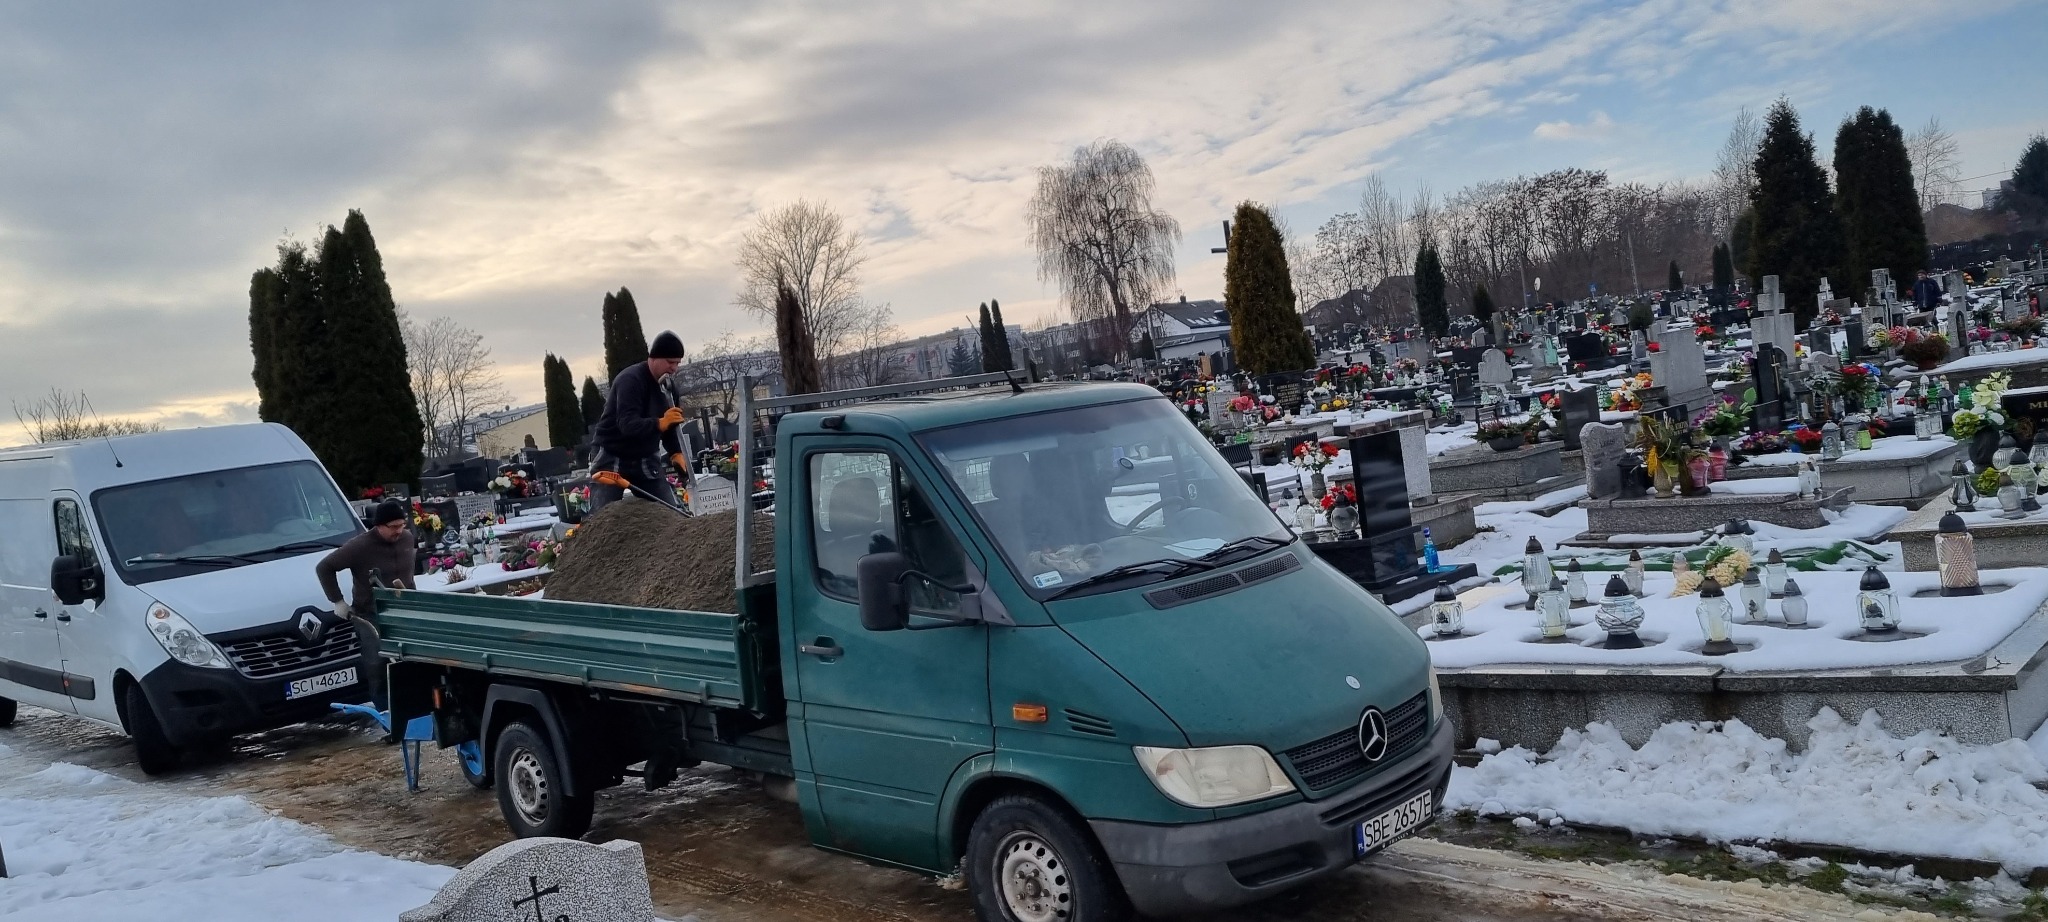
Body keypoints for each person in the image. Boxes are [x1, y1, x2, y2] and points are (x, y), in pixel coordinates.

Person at [316, 500, 416, 711]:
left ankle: (413, 709)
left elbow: (408, 575)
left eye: (402, 525)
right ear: (379, 525)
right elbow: (325, 567)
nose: (399, 531)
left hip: (403, 610)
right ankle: (386, 715)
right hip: (370, 614)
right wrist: (338, 600)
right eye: (393, 527)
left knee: (411, 661)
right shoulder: (360, 546)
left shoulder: (407, 539)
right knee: (377, 665)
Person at [590, 330, 690, 513]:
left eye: (677, 363)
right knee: (602, 519)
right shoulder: (630, 380)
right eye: (670, 362)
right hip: (612, 456)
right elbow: (627, 424)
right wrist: (660, 423)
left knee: (670, 512)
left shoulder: (668, 387)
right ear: (654, 358)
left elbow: (670, 426)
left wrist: (676, 453)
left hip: (645, 457)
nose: (674, 368)